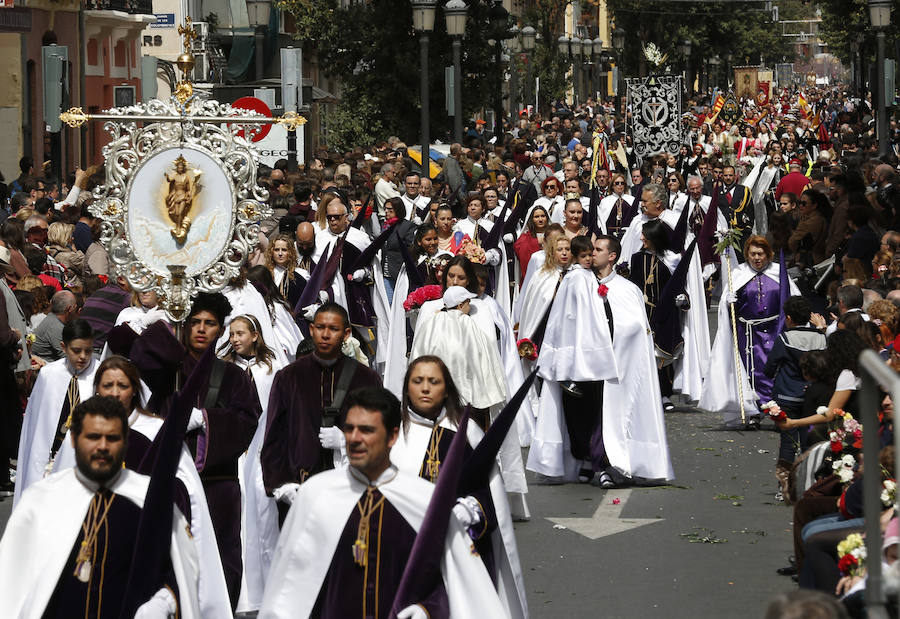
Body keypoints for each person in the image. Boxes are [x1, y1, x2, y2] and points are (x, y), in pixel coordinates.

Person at [259, 387, 506, 618]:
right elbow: (288, 586)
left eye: (366, 430)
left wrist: (426, 610)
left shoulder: (424, 501)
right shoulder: (316, 495)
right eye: (349, 429)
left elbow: (453, 580)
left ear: (392, 436)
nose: (354, 439)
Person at [0, 395, 202, 618]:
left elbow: (183, 567)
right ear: (75, 439)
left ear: (125, 441)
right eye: (94, 437)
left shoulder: (149, 499)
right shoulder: (40, 501)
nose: (103, 446)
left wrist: (165, 601)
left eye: (112, 438)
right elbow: (11, 583)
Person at [391, 356, 529, 618]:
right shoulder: (393, 435)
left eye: (434, 381)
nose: (425, 388)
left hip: (460, 544)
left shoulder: (466, 432)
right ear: (407, 387)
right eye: (417, 381)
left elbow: (491, 493)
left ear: (446, 390)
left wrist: (471, 509)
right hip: (407, 548)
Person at [262, 302, 381, 520]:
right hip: (300, 488)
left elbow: (379, 432)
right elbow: (274, 435)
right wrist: (281, 485)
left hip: (351, 486)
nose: (325, 335)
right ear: (311, 329)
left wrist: (346, 441)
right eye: (320, 327)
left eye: (333, 329)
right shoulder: (289, 377)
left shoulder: (366, 379)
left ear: (346, 333)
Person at [217, 314, 285, 612]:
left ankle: (270, 586)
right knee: (239, 517)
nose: (234, 339)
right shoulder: (226, 368)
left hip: (263, 448)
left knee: (265, 515)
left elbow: (279, 406)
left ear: (255, 336)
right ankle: (241, 589)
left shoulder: (271, 367)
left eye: (240, 333)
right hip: (234, 448)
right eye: (231, 334)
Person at [700, 235, 800, 427]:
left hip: (774, 331)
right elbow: (726, 310)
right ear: (747, 254)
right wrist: (728, 302)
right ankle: (753, 410)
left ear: (768, 254)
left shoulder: (778, 273)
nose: (757, 258)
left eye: (760, 254)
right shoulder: (738, 274)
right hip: (747, 333)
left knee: (773, 370)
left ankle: (776, 408)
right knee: (750, 372)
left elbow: (793, 300)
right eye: (753, 254)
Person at [15, 318, 97, 503]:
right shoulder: (49, 375)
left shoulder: (100, 374)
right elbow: (36, 426)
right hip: (52, 457)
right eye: (76, 350)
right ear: (63, 346)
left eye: (88, 351)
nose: (83, 356)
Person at [762, 296, 826, 501]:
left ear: (788, 318)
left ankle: (785, 487)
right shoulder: (820, 338)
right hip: (812, 396)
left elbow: (770, 365)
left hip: (787, 394)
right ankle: (808, 485)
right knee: (809, 442)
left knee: (788, 443)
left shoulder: (785, 339)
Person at [31, 289, 78, 361]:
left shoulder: (52, 319)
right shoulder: (55, 327)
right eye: (75, 306)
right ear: (69, 309)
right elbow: (67, 358)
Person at [265, 232, 307, 309]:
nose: (280, 253)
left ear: (290, 252)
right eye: (276, 250)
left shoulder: (301, 273)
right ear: (271, 252)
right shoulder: (265, 273)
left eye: (284, 250)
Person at [597, 172, 638, 238]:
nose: (620, 185)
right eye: (617, 183)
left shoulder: (632, 200)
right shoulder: (605, 201)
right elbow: (601, 221)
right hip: (610, 235)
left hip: (628, 235)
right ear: (612, 186)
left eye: (622, 183)